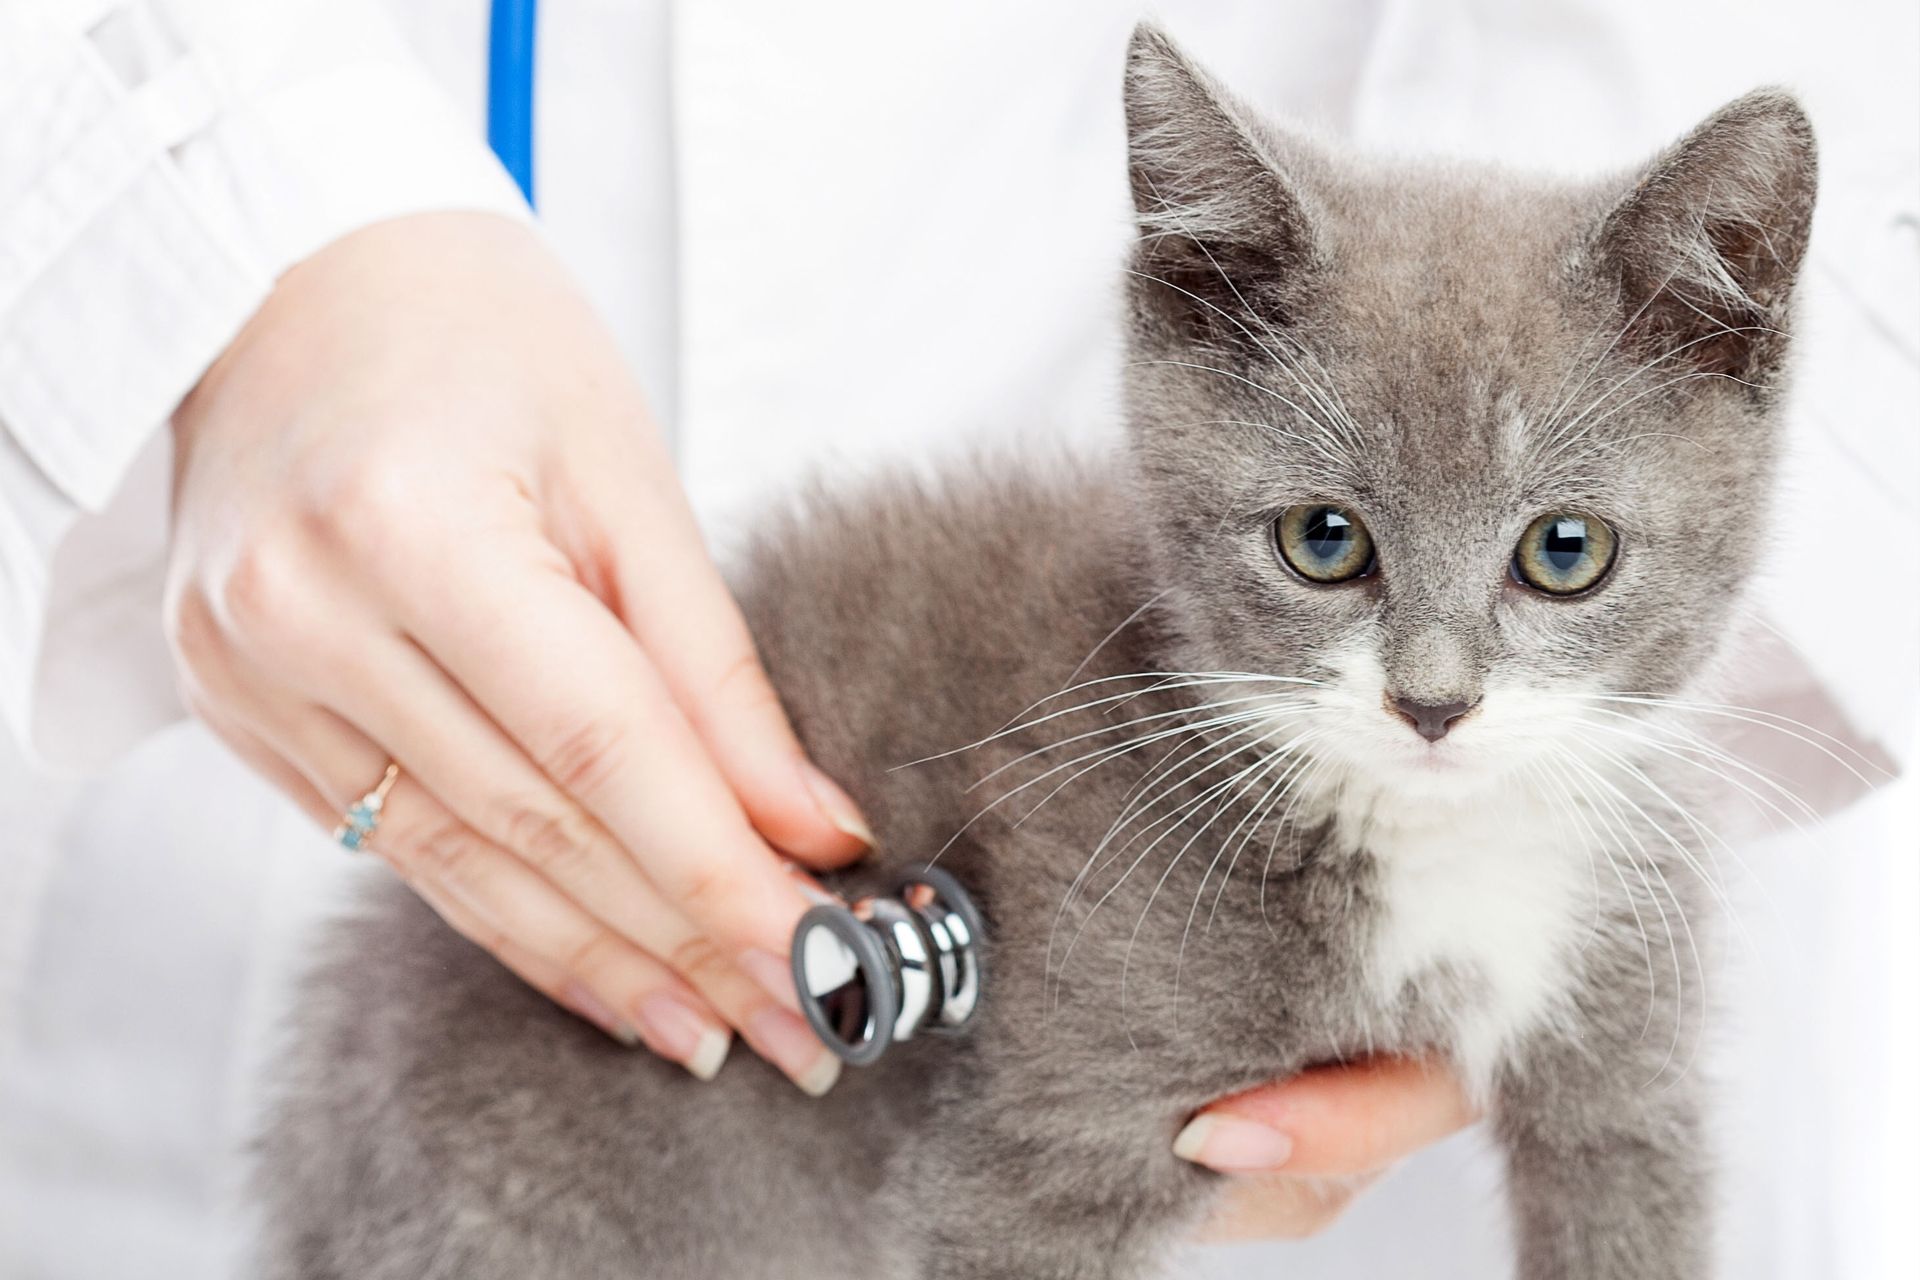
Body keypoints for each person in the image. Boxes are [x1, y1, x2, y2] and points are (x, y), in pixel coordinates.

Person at [1, 2, 1913, 1278]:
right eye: (1333, 549)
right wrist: (236, 224)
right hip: (319, 868)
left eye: (1558, 557)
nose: (1432, 684)